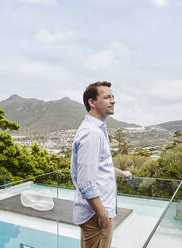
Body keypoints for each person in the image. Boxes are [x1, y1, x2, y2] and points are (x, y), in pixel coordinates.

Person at [70, 81, 131, 248]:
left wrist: (122, 173)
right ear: (92, 102)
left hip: (94, 213)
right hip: (96, 216)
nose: (113, 101)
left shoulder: (95, 129)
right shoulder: (92, 134)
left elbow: (97, 167)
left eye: (113, 97)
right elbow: (86, 183)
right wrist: (103, 214)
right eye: (107, 97)